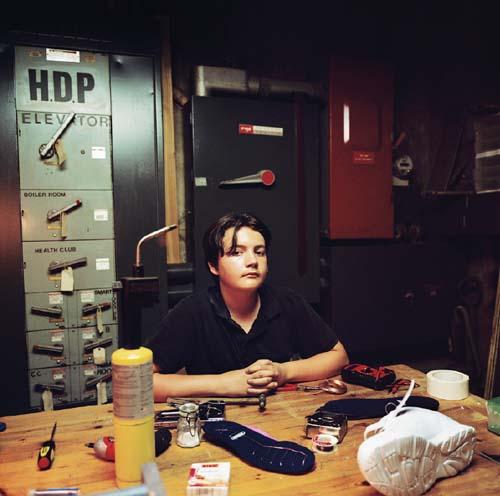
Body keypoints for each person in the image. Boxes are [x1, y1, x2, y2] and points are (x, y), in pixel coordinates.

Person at [148, 212, 349, 401]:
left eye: (259, 252)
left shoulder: (287, 302)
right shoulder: (191, 312)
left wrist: (283, 372)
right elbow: (141, 382)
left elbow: (339, 357)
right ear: (213, 266)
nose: (252, 261)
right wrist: (222, 383)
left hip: (280, 418)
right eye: (236, 252)